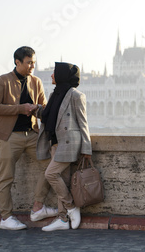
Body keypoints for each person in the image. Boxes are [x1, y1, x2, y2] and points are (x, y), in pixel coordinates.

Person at [0, 46, 58, 230]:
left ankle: (38, 207)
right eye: (29, 63)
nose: (32, 66)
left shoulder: (36, 82)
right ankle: (6, 218)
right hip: (8, 137)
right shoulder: (3, 81)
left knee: (50, 167)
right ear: (17, 62)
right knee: (6, 178)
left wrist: (39, 109)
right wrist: (20, 108)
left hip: (32, 135)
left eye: (34, 62)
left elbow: (44, 109)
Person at [35, 62, 92, 231]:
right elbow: (49, 115)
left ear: (61, 75)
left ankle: (71, 206)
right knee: (63, 180)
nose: (51, 75)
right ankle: (62, 220)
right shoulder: (55, 94)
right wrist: (35, 109)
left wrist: (86, 149)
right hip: (55, 141)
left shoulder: (76, 95)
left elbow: (83, 123)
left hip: (69, 144)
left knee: (50, 174)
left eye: (54, 73)